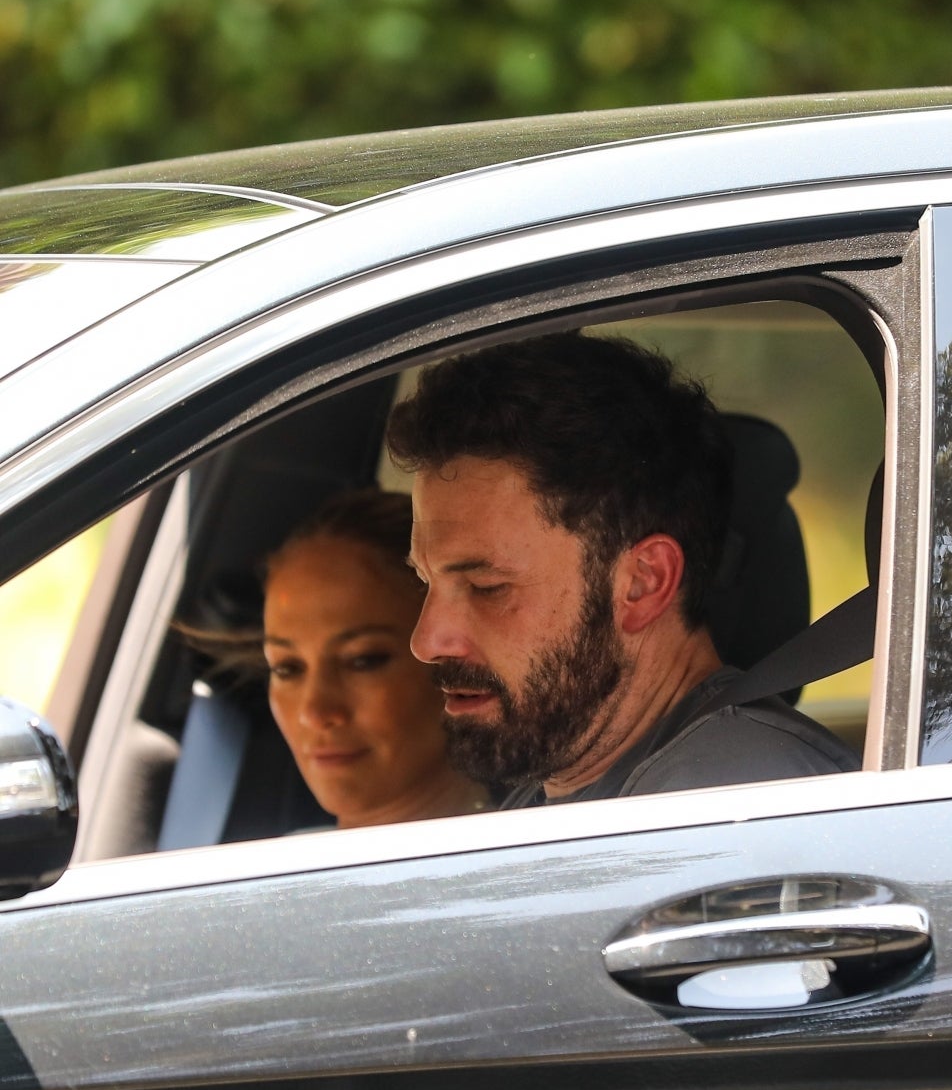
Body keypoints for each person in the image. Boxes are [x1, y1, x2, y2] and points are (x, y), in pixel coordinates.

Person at [385, 332, 858, 808]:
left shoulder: (730, 803)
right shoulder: (571, 779)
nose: (426, 642)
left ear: (643, 583)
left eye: (486, 586)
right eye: (426, 582)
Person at [260, 489, 486, 828]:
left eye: (363, 660)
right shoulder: (268, 858)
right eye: (287, 668)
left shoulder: (533, 853)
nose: (314, 713)